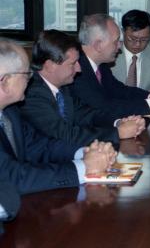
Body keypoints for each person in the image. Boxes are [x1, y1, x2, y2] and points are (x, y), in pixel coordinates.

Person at [0, 39, 115, 194]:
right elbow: (13, 177)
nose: (30, 79)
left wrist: (85, 153)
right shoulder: (24, 102)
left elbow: (38, 146)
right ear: (5, 82)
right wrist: (83, 167)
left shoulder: (9, 112)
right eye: (27, 74)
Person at [20, 30, 145, 148]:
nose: (79, 69)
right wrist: (117, 133)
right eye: (73, 63)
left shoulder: (64, 87)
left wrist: (119, 122)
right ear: (50, 66)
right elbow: (65, 134)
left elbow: (86, 115)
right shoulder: (31, 94)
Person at [71, 14, 150, 117]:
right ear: (98, 45)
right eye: (116, 42)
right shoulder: (76, 69)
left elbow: (118, 90)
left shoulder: (100, 65)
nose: (119, 46)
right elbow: (103, 106)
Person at [111, 10, 150, 91]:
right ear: (123, 32)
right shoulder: (110, 53)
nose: (137, 44)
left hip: (144, 103)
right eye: (132, 39)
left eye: (144, 40)